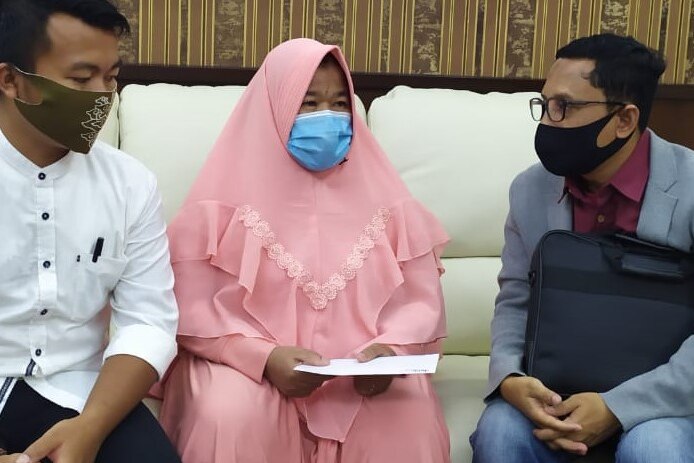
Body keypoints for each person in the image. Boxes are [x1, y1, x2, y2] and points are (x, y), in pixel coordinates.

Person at [155, 38, 451, 463]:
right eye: (308, 103)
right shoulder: (218, 202)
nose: (326, 117)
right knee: (229, 414)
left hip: (362, 373)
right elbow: (190, 309)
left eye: (338, 104)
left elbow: (420, 304)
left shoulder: (389, 202)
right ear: (273, 106)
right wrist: (263, 357)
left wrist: (391, 355)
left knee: (410, 414)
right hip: (243, 367)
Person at [471, 33, 694, 462]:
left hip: (664, 404)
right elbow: (516, 299)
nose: (548, 121)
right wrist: (510, 379)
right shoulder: (530, 190)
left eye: (565, 107)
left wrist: (619, 406)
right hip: (557, 391)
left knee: (655, 448)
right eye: (545, 104)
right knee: (500, 432)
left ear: (624, 120)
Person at [0, 1, 180, 462]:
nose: (102, 96)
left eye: (112, 77)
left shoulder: (131, 184)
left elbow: (148, 321)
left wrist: (91, 429)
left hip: (79, 391)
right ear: (10, 80)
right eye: (81, 80)